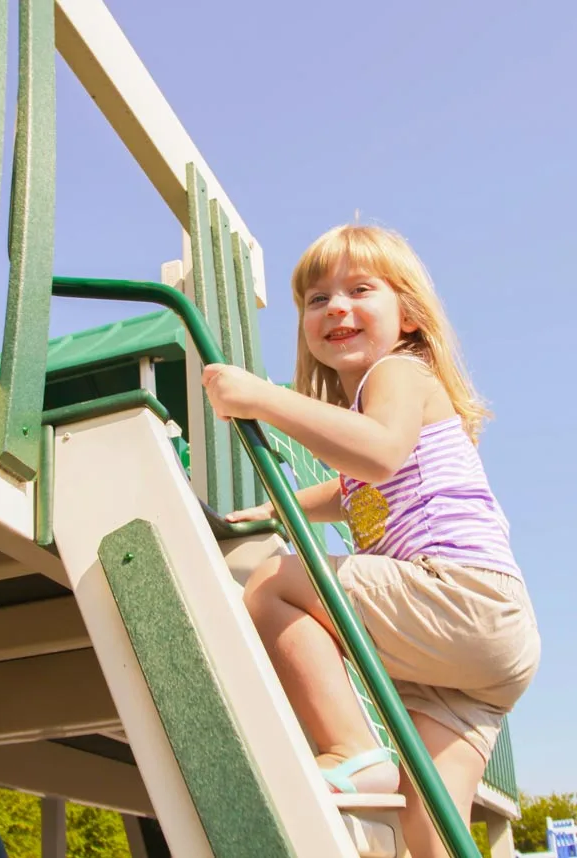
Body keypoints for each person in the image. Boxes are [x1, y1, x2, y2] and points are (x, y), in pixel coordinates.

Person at [200, 224, 540, 857]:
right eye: (316, 298)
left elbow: (378, 457)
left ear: (408, 316)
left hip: (457, 595)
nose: (336, 307)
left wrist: (264, 398)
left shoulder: (398, 374)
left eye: (360, 290)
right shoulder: (379, 413)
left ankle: (351, 748)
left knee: (275, 582)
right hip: (489, 656)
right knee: (427, 827)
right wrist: (261, 513)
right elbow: (349, 490)